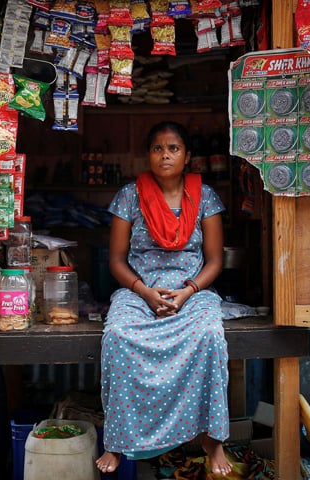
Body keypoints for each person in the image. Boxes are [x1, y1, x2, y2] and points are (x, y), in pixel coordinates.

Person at [96, 121, 232, 476]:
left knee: (210, 336)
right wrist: (144, 291)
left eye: (173, 148)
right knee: (117, 336)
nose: (166, 155)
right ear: (148, 156)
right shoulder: (130, 196)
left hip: (193, 287)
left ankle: (211, 439)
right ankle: (117, 440)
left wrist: (188, 292)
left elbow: (215, 260)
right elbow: (116, 260)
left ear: (187, 157)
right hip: (139, 288)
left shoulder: (206, 197)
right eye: (158, 148)